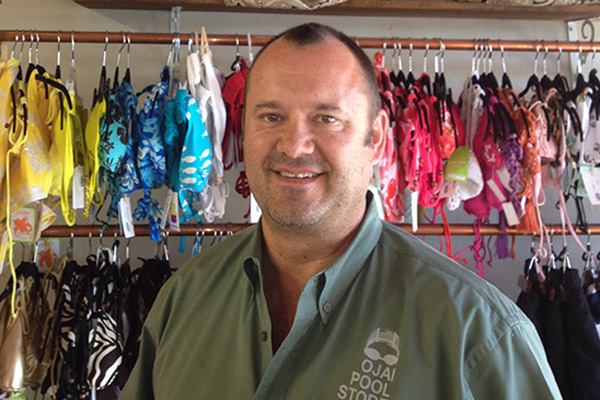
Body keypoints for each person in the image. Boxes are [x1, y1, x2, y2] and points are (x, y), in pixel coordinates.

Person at [121, 23, 561, 399]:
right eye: (270, 117)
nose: (294, 146)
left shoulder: (478, 333)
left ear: (376, 139)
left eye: (327, 118)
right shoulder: (184, 300)